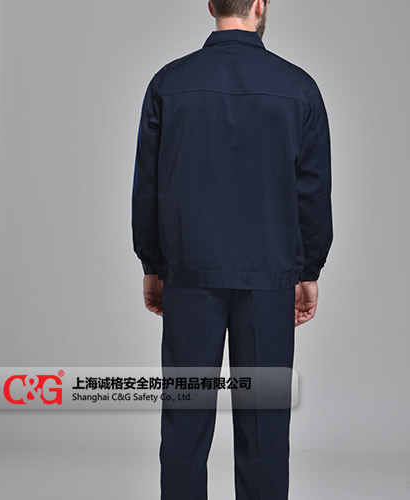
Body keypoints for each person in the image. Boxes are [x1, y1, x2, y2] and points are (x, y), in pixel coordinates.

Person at [132, 1, 333, 498]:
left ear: (211, 4)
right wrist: (308, 270)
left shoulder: (169, 84)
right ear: (260, 5)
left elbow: (148, 186)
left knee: (184, 425)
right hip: (268, 277)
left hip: (189, 273)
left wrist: (153, 265)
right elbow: (311, 190)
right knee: (265, 429)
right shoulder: (298, 88)